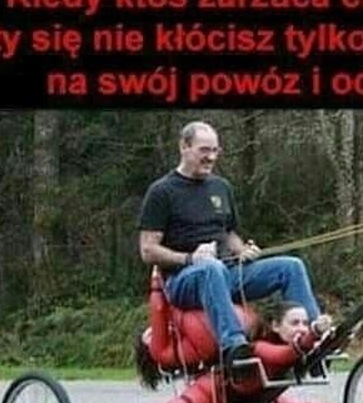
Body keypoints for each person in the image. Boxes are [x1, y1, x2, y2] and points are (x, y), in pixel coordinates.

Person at [137, 120, 331, 373]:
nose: (211, 157)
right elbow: (148, 250)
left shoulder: (221, 187)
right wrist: (190, 258)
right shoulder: (161, 192)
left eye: (215, 150)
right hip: (183, 280)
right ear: (184, 147)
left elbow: (228, 233)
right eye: (204, 150)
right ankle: (234, 347)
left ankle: (314, 341)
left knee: (291, 267)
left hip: (226, 273)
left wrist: (242, 251)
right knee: (211, 268)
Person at [63, 302, 363, 403]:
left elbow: (304, 353)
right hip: (209, 394)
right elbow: (286, 354)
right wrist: (313, 332)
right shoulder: (260, 346)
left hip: (258, 397)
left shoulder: (271, 339)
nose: (300, 327)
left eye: (303, 322)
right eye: (295, 323)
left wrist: (339, 336)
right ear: (275, 326)